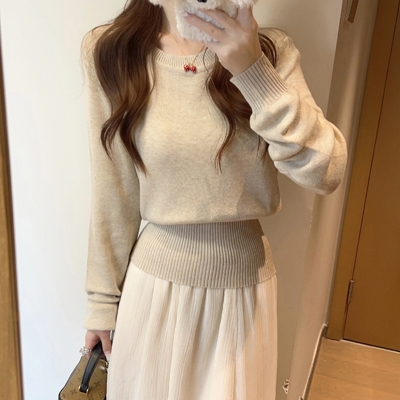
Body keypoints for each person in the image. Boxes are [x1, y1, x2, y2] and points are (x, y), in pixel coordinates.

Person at [80, 0, 347, 398]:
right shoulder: (112, 52)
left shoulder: (271, 51)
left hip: (243, 296)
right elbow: (113, 191)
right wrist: (102, 304)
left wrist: (253, 70)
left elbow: (327, 172)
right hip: (154, 294)